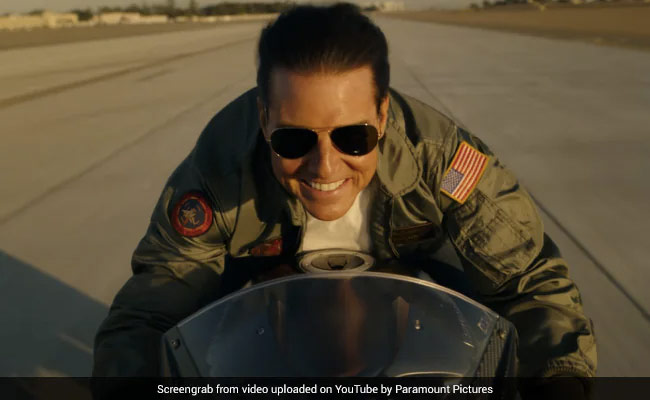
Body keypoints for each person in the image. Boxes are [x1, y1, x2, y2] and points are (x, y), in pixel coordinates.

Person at [93, 2, 596, 394]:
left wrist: (560, 386)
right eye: (294, 140)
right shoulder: (220, 170)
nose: (326, 168)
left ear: (382, 116)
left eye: (353, 137)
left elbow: (530, 284)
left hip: (420, 293)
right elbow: (151, 310)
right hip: (256, 297)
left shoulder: (441, 161)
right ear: (264, 118)